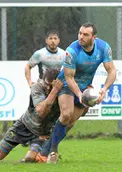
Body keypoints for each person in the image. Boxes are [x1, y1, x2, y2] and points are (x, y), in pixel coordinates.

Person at [40, 22, 116, 164]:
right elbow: (69, 77)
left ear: (94, 37)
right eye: (80, 33)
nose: (81, 37)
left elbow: (111, 71)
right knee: (66, 115)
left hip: (85, 87)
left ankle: (44, 150)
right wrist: (80, 95)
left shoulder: (104, 47)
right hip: (66, 85)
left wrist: (104, 89)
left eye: (85, 34)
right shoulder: (72, 50)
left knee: (70, 123)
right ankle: (53, 152)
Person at [0, 68, 63, 163]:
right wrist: (54, 91)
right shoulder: (37, 87)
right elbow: (41, 112)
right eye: (46, 84)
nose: (48, 88)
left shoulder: (64, 94)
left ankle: (23, 162)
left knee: (30, 159)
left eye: (51, 86)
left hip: (42, 133)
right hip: (24, 126)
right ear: (43, 80)